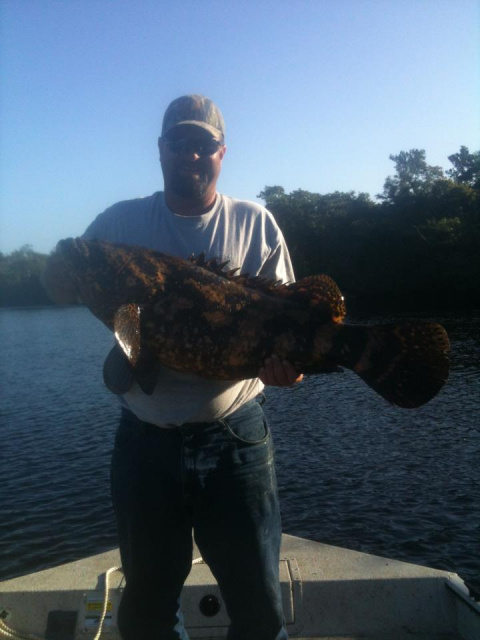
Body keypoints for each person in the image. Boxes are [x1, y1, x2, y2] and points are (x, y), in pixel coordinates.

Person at [82, 94, 302, 639]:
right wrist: (129, 335)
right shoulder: (118, 224)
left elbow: (295, 338)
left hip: (237, 442)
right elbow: (85, 284)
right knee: (149, 610)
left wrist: (290, 370)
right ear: (161, 150)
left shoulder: (255, 222)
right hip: (145, 444)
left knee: (258, 609)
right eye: (180, 144)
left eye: (204, 145)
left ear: (222, 153)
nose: (192, 155)